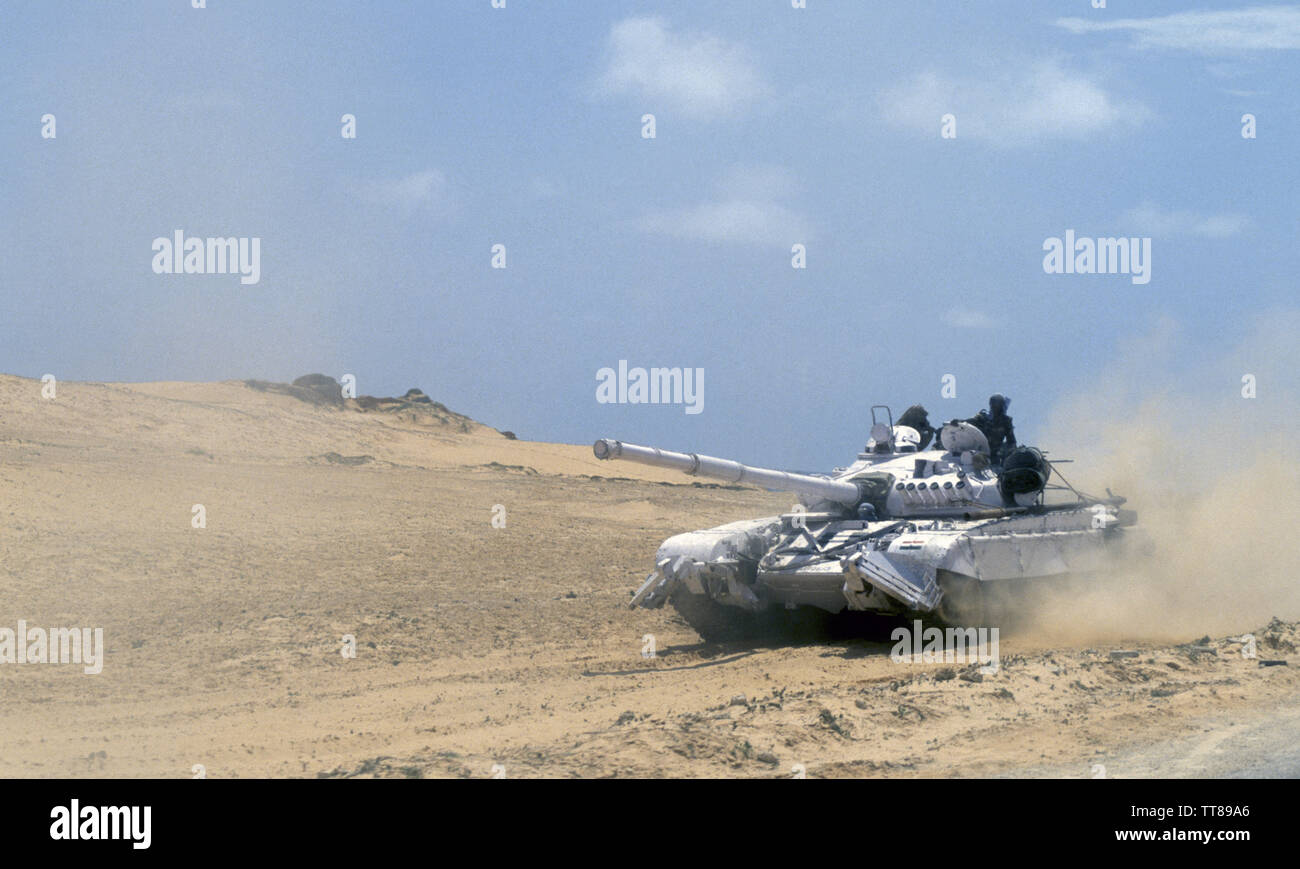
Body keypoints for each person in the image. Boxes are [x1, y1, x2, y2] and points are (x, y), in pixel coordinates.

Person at [966, 394, 1017, 464]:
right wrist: (958, 422)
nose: (995, 407)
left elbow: (1011, 441)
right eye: (993, 404)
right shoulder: (983, 417)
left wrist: (1010, 453)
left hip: (996, 454)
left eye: (997, 405)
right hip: (980, 451)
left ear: (1001, 406)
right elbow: (969, 422)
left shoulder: (1006, 421)